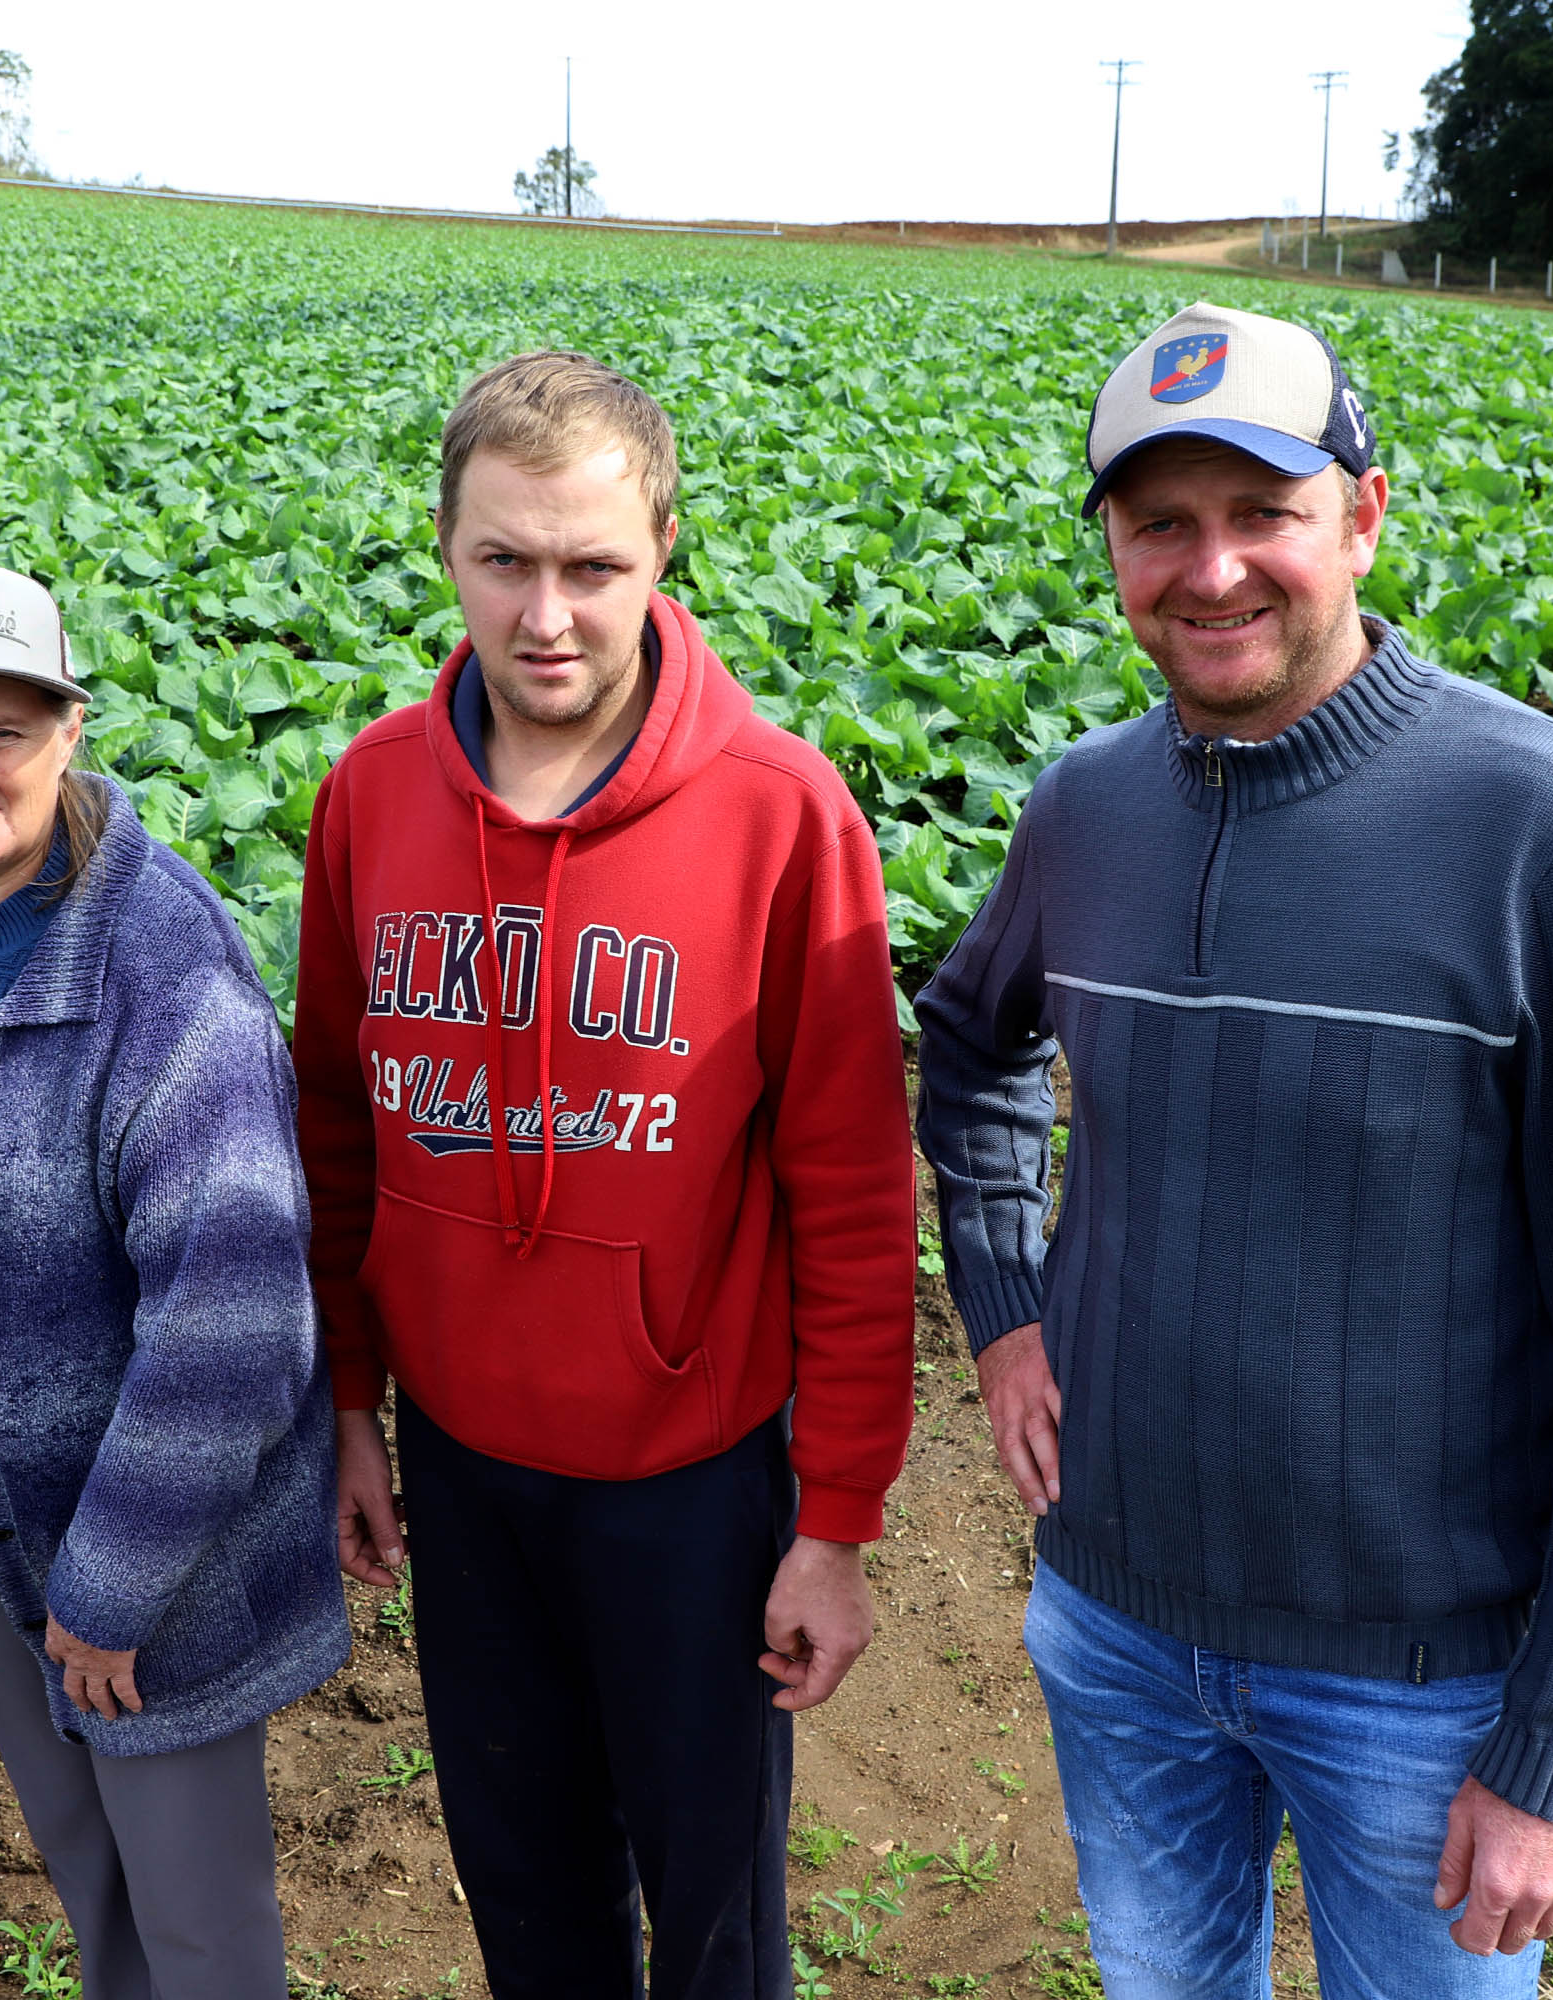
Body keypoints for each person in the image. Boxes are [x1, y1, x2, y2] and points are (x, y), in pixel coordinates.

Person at [915, 301, 1553, 1998]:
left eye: (1263, 513)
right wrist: (1003, 1304)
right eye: (1162, 525)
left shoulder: (1541, 822)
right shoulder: (1083, 808)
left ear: (1361, 516)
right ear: (1115, 553)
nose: (1212, 570)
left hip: (1423, 1683)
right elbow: (971, 1038)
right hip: (1117, 1627)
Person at [292, 351, 916, 1999]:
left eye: (593, 566)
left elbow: (853, 1194)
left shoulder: (782, 813)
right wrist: (351, 1403)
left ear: (662, 556)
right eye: (504, 560)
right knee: (522, 1886)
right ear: (445, 551)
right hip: (467, 1467)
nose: (546, 612)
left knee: (711, 1909)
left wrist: (834, 1519)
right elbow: (336, 1134)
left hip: (693, 1479)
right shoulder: (367, 796)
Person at [0, 557, 346, 2000]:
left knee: (199, 1924)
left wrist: (111, 1587)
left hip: (142, 1558)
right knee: (89, 1877)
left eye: (2, 730)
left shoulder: (162, 971)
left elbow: (236, 1328)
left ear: (71, 728)